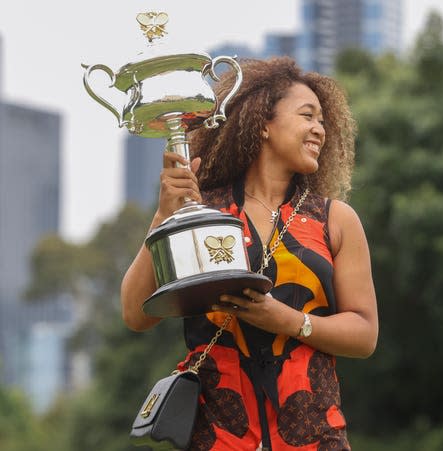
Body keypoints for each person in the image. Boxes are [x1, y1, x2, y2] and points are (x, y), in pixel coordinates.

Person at [121, 56, 378, 451]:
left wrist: (287, 320)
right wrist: (163, 215)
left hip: (314, 438)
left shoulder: (336, 221)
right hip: (219, 437)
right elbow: (136, 314)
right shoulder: (204, 210)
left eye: (323, 121)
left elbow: (364, 334)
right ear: (262, 123)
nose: (319, 130)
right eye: (307, 115)